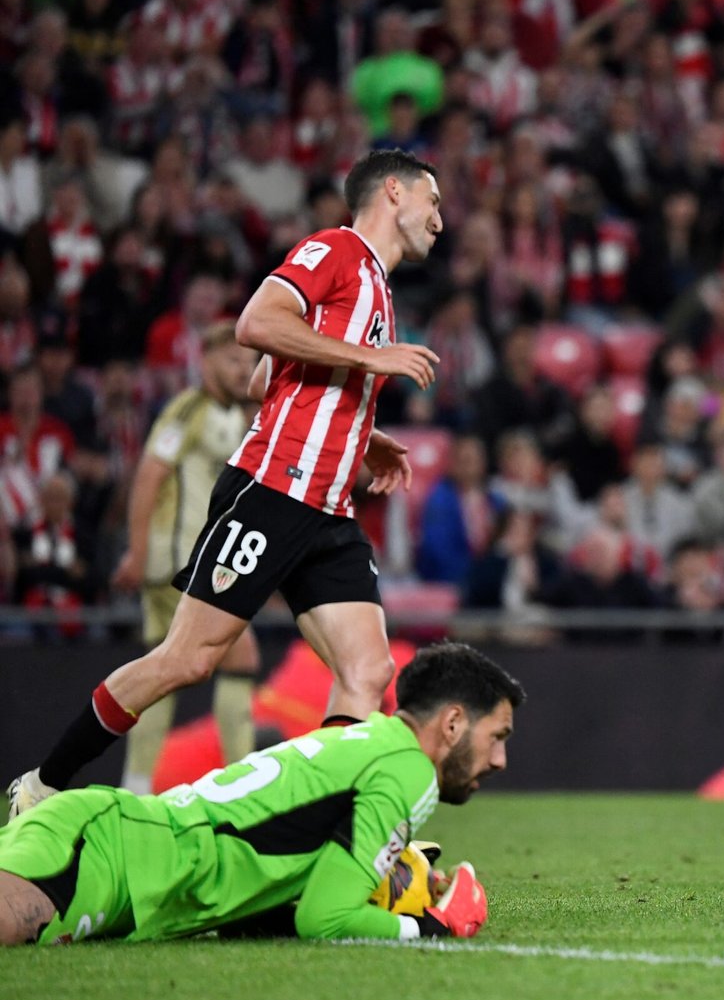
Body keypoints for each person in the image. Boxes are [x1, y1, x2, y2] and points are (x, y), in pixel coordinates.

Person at [8, 148, 445, 817]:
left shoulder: (379, 288)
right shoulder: (336, 250)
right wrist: (367, 360)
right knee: (186, 658)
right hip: (272, 489)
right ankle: (42, 782)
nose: (440, 219)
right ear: (393, 191)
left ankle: (322, 833)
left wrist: (363, 432)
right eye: (432, 201)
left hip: (326, 507)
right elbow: (254, 328)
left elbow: (264, 379)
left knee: (367, 672)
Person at [0, 642, 521, 945]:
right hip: (112, 858)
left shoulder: (368, 741)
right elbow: (326, 918)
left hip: (117, 841)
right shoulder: (410, 772)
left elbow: (282, 898)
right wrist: (428, 927)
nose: (499, 760)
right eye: (496, 737)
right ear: (453, 723)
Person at [109, 324, 262, 795]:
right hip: (180, 562)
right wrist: (136, 551)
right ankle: (248, 787)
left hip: (191, 563)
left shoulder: (230, 415)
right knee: (241, 656)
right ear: (206, 361)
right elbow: (148, 477)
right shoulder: (188, 410)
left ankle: (135, 787)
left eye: (248, 361)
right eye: (233, 360)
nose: (244, 369)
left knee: (163, 673)